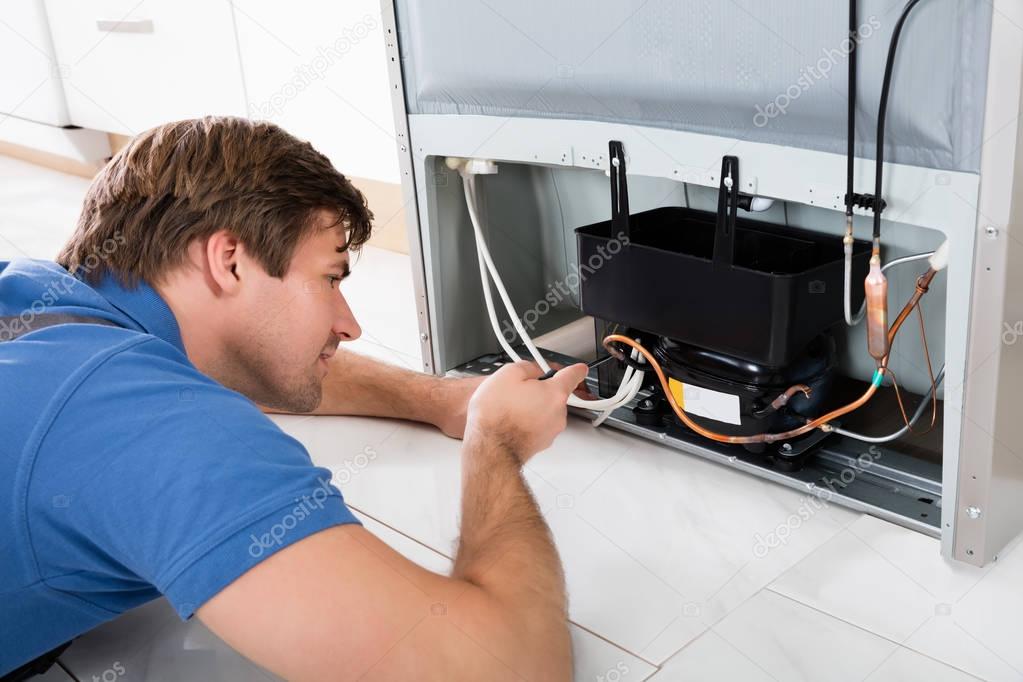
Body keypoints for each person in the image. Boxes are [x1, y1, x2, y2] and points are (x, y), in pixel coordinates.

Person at [0, 117, 586, 681]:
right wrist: (497, 443)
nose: (349, 324)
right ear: (229, 261)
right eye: (330, 278)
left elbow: (248, 360)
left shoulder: (36, 299)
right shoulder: (146, 423)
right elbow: (510, 668)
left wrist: (438, 399)